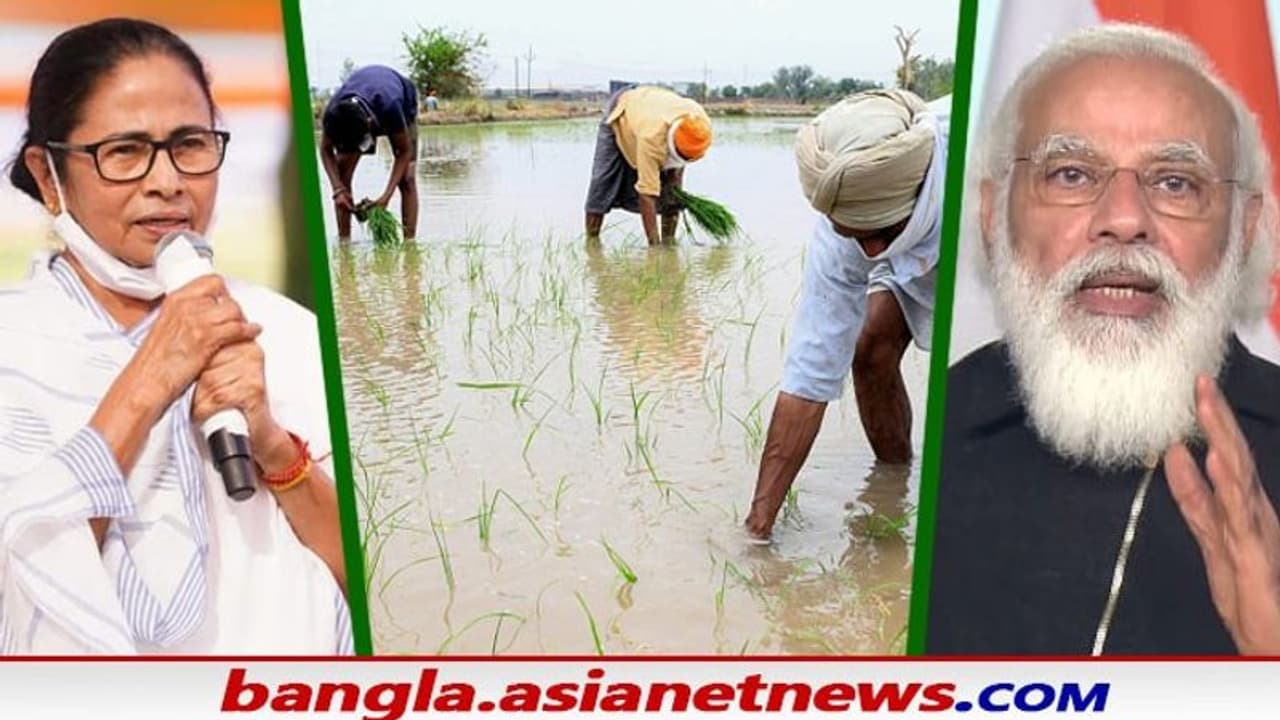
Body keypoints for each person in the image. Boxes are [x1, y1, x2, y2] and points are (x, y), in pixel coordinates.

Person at [0, 18, 351, 654]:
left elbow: (366, 578)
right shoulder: (15, 343)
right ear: (48, 175)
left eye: (189, 144)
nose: (168, 181)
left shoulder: (290, 331)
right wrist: (155, 374)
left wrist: (272, 445)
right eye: (125, 151)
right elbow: (23, 589)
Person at [928, 24, 1280, 655]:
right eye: (1069, 174)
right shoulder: (933, 426)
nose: (1123, 220)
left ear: (1245, 229)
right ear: (991, 214)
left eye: (1176, 182)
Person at [744, 89, 945, 540]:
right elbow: (809, 372)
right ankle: (895, 480)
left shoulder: (991, 167)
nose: (871, 253)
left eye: (880, 235)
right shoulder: (853, 211)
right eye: (853, 236)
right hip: (914, 234)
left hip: (985, 243)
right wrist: (758, 529)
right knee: (871, 347)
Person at [584, 85, 712, 246]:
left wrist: (673, 181)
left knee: (673, 192)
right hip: (621, 111)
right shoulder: (652, 138)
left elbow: (681, 163)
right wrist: (654, 250)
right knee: (602, 183)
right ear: (671, 144)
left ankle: (669, 242)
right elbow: (646, 195)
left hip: (654, 102)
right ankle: (591, 242)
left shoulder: (699, 124)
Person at [320, 65, 419, 241]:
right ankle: (345, 241)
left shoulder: (391, 106)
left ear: (369, 124)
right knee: (342, 174)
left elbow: (404, 152)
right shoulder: (334, 114)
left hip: (401, 104)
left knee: (407, 179)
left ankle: (409, 242)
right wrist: (338, 190)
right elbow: (325, 149)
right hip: (356, 116)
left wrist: (385, 197)